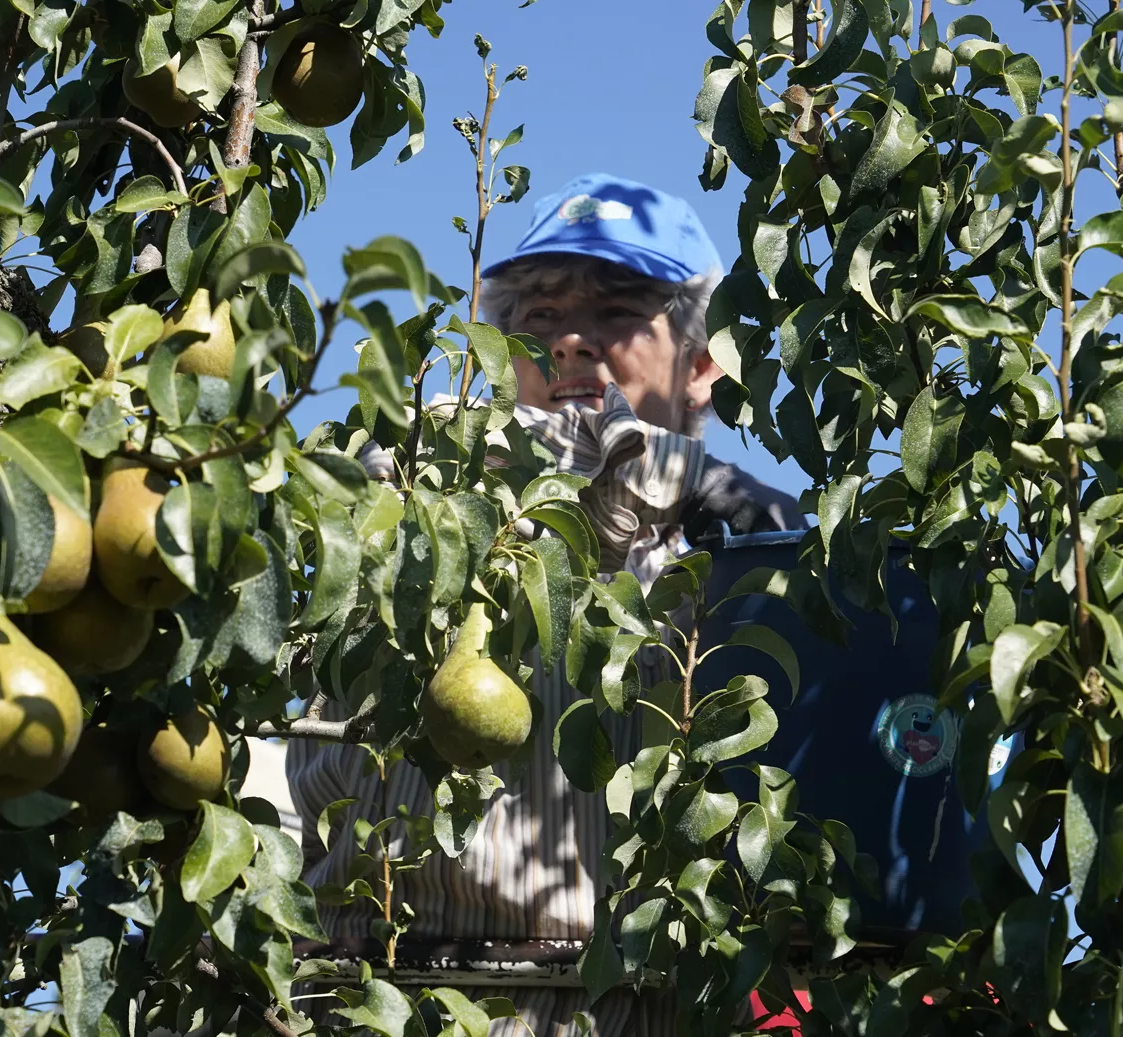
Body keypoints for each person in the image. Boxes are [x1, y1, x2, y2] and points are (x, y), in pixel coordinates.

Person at [288, 174, 806, 1036]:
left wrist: (711, 491)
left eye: (616, 313)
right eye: (532, 318)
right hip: (396, 1006)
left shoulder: (744, 568)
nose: (569, 342)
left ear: (704, 362)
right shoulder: (415, 521)